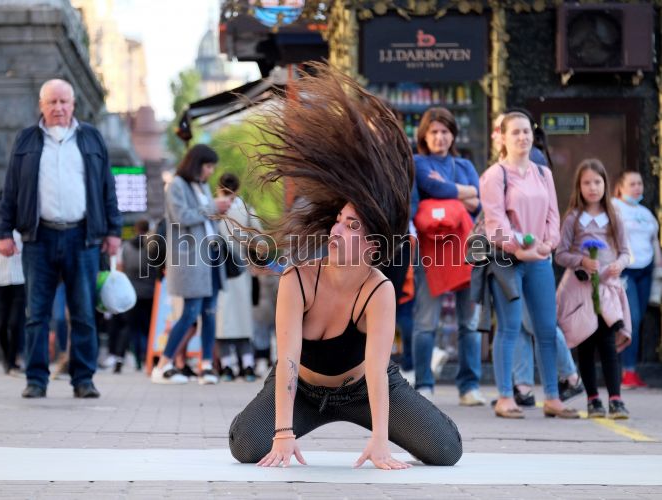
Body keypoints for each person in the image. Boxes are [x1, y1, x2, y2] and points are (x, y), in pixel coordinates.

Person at [228, 63, 462, 469]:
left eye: (351, 226)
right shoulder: (297, 279)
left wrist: (380, 440)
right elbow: (285, 358)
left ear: (372, 245)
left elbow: (376, 366)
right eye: (338, 220)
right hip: (301, 390)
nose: (337, 229)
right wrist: (283, 433)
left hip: (361, 391)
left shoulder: (378, 289)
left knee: (446, 451)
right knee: (246, 445)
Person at [0, 79, 121, 399]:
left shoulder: (91, 138)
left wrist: (113, 230)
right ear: (41, 105)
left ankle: (83, 379)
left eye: (64, 101)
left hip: (82, 238)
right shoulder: (26, 139)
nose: (58, 108)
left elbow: (107, 187)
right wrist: (4, 232)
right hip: (39, 238)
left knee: (82, 312)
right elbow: (10, 189)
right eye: (51, 102)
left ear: (73, 104)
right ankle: (36, 379)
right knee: (36, 314)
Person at [480, 111, 577, 419]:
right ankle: (505, 397)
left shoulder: (543, 173)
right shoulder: (494, 175)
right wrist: (519, 249)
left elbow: (553, 215)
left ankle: (552, 397)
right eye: (516, 132)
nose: (522, 137)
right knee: (509, 327)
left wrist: (547, 244)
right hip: (509, 260)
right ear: (504, 138)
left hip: (539, 259)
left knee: (547, 329)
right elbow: (495, 223)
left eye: (526, 132)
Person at [412, 107, 485, 406]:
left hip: (465, 249)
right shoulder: (417, 162)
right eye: (434, 132)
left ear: (453, 134)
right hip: (431, 252)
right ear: (424, 136)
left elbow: (480, 202)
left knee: (470, 322)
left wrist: (453, 196)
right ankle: (423, 384)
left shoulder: (465, 164)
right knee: (426, 321)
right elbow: (431, 187)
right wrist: (464, 194)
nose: (440, 137)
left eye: (445, 131)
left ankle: (469, 386)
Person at [555, 159, 631, 419]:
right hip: (580, 292)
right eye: (586, 182)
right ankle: (593, 399)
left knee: (608, 344)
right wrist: (581, 261)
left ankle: (616, 399)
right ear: (579, 186)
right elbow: (560, 253)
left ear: (605, 184)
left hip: (607, 290)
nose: (592, 187)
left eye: (597, 182)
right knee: (585, 345)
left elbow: (625, 252)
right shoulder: (573, 219)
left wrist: (617, 266)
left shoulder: (614, 217)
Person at [150, 144, 231, 385]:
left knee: (209, 312)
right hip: (191, 259)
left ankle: (205, 366)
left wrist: (217, 211)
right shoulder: (176, 185)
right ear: (196, 164)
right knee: (190, 313)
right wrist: (212, 207)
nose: (210, 172)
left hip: (211, 255)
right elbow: (182, 216)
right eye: (208, 166)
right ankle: (162, 366)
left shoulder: (202, 186)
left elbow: (204, 217)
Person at [613, 170, 660, 389]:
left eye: (640, 183)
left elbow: (653, 240)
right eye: (632, 184)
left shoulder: (645, 212)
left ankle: (631, 371)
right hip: (626, 270)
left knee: (638, 319)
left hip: (646, 269)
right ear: (620, 187)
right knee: (630, 318)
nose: (637, 188)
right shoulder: (614, 207)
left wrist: (658, 266)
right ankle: (625, 372)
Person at [215, 173, 259, 382]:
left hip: (218, 273)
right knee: (243, 321)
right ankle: (248, 365)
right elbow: (260, 240)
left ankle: (226, 367)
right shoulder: (247, 211)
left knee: (222, 322)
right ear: (238, 187)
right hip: (242, 270)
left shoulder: (214, 211)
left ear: (219, 187)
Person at [115, 219, 157, 372]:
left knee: (129, 328)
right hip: (150, 293)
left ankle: (120, 359)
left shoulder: (124, 247)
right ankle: (148, 358)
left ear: (135, 229)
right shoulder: (153, 247)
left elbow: (120, 270)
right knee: (148, 328)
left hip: (130, 294)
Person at [0, 215, 25, 376]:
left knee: (15, 323)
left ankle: (12, 361)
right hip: (0, 280)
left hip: (21, 280)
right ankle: (7, 357)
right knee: (1, 325)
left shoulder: (23, 224)